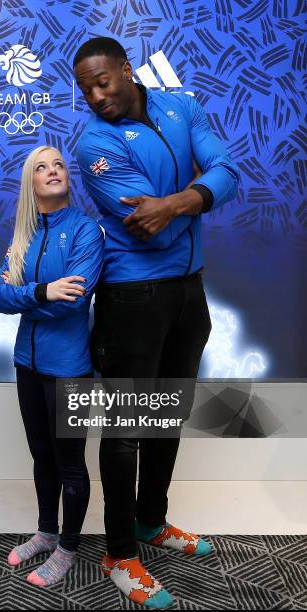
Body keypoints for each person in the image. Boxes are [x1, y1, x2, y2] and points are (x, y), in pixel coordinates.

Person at [73, 37, 239, 608]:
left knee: (168, 414)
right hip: (133, 298)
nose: (96, 96)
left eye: (103, 82)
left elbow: (228, 170)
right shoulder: (94, 143)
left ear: (125, 70)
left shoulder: (180, 107)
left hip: (190, 292)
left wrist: (172, 200)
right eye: (86, 89)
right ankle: (120, 552)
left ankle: (151, 523)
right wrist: (191, 198)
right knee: (125, 427)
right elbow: (155, 228)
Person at [0, 146, 104, 586]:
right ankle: (45, 531)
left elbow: (71, 300)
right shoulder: (24, 235)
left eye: (58, 165)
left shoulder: (85, 232)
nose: (52, 171)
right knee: (42, 456)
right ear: (30, 182)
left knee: (70, 463)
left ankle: (68, 548)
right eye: (42, 167)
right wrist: (41, 293)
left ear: (67, 177)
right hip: (27, 365)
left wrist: (29, 295)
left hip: (69, 368)